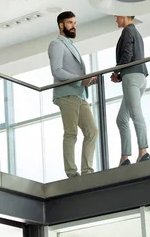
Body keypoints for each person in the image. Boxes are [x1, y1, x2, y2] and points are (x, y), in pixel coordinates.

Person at [48, 11, 98, 178]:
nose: (73, 26)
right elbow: (57, 71)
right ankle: (71, 172)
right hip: (67, 94)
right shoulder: (56, 44)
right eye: (70, 22)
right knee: (71, 133)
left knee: (92, 131)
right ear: (61, 25)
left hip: (80, 95)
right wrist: (80, 80)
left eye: (74, 23)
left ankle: (87, 170)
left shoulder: (70, 44)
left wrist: (88, 80)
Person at [110, 15, 150, 166]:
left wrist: (117, 72)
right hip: (139, 77)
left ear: (124, 15)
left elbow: (127, 54)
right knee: (121, 119)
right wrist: (120, 75)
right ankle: (125, 157)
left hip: (132, 78)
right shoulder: (136, 33)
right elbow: (132, 56)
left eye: (116, 16)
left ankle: (143, 152)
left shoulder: (127, 31)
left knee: (136, 114)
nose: (115, 19)